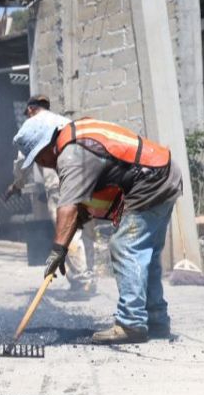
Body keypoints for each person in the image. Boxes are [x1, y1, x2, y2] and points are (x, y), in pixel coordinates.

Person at [13, 114, 183, 344]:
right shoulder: (77, 137)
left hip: (151, 181)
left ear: (46, 146)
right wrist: (69, 237)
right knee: (146, 252)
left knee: (125, 245)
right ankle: (156, 319)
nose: (42, 164)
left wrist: (57, 252)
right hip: (163, 173)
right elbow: (82, 206)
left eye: (38, 158)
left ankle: (131, 323)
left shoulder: (71, 153)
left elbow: (68, 208)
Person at [6, 95, 97, 296]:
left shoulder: (33, 126)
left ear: (30, 109)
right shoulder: (65, 122)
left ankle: (81, 282)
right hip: (86, 180)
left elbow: (23, 160)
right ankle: (90, 277)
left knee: (68, 229)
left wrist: (17, 184)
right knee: (87, 230)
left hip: (60, 184)